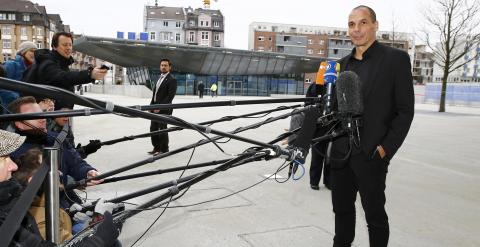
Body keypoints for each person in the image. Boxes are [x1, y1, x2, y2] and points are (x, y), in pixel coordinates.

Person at [329, 6, 414, 247]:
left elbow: (405, 111)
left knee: (375, 218)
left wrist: (385, 149)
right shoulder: (341, 65)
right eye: (352, 24)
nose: (356, 30)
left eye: (363, 23)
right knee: (342, 215)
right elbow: (332, 111)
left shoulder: (395, 60)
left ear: (375, 25)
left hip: (371, 156)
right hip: (340, 155)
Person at [0, 130, 121, 246]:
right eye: (5, 158)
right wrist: (99, 235)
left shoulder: (16, 204)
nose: (13, 166)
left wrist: (68, 215)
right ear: (33, 181)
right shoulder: (34, 216)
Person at [23, 32, 107, 109]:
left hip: (58, 115)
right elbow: (62, 77)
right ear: (54, 47)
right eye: (65, 45)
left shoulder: (61, 62)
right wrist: (89, 74)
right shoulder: (47, 62)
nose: (68, 48)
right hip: (46, 117)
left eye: (70, 45)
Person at [148, 58, 177, 155]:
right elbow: (155, 94)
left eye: (165, 65)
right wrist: (151, 106)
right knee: (153, 129)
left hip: (164, 109)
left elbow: (170, 96)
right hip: (154, 108)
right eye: (162, 65)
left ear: (170, 67)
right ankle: (156, 148)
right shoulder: (159, 78)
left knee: (162, 129)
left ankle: (164, 149)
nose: (163, 67)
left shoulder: (172, 80)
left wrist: (160, 107)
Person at [0, 41, 37, 108]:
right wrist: (18, 98)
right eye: (31, 51)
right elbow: (2, 87)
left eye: (36, 52)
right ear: (23, 52)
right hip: (10, 108)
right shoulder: (11, 65)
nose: (34, 54)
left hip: (25, 106)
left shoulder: (34, 68)